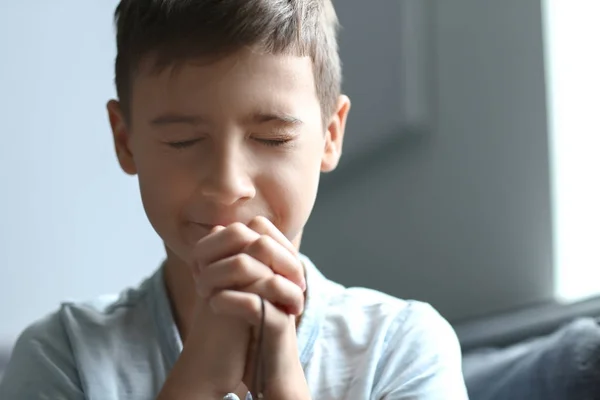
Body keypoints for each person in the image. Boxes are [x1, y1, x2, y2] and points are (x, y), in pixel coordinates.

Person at [0, 0, 469, 399]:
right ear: (126, 141)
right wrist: (198, 378)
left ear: (330, 135)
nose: (227, 184)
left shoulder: (402, 347)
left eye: (271, 138)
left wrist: (284, 382)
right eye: (183, 141)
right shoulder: (64, 354)